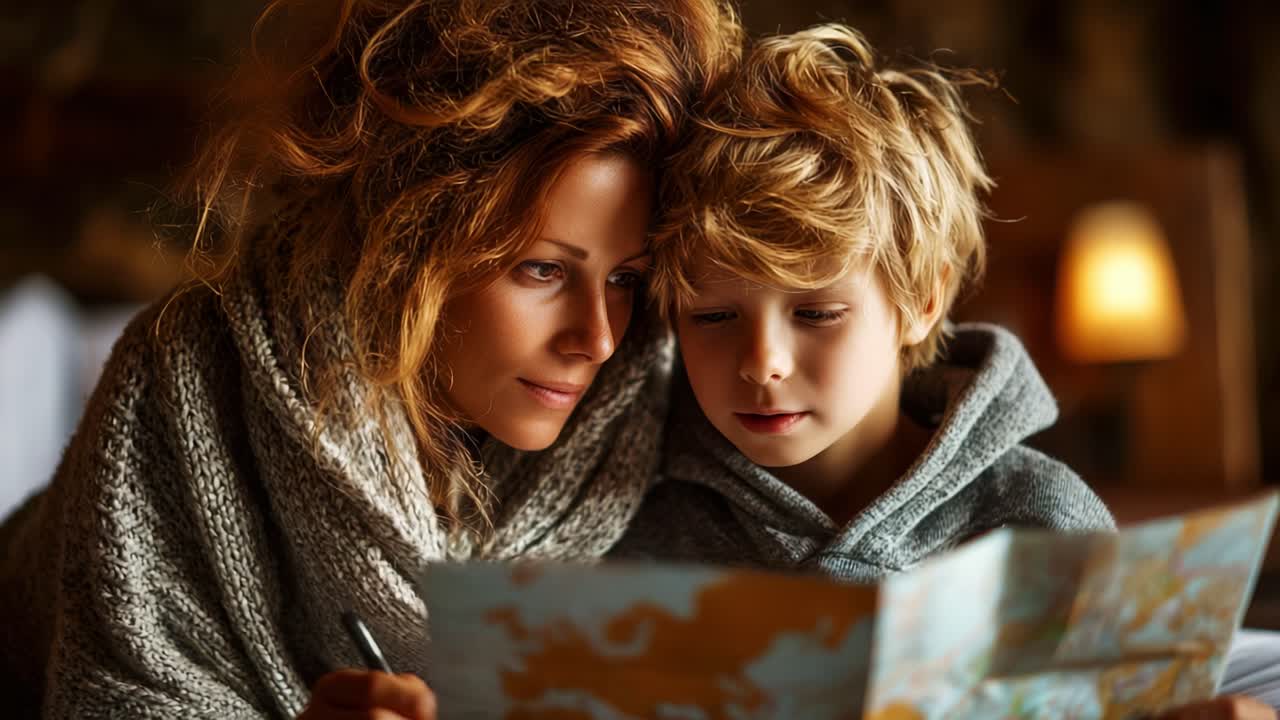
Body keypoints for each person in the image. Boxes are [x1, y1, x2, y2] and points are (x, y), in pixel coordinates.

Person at [0, 0, 741, 717]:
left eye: (625, 280)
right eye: (542, 271)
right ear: (411, 241)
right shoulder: (183, 382)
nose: (600, 339)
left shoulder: (660, 414)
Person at [609, 24, 1275, 720]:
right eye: (713, 318)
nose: (762, 363)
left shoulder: (1038, 520)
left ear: (921, 303)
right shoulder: (645, 530)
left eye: (816, 314)